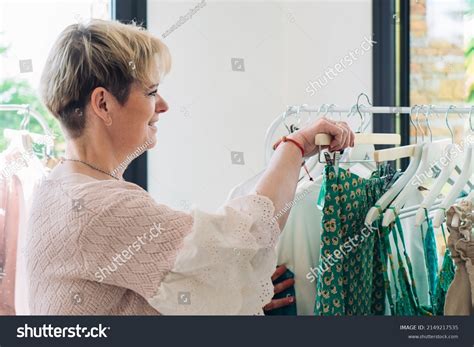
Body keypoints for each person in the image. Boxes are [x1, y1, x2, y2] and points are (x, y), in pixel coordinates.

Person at [25, 19, 354, 315]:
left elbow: (163, 285)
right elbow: (242, 239)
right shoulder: (101, 208)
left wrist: (234, 293)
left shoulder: (54, 189)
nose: (164, 106)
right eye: (152, 92)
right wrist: (294, 147)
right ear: (103, 103)